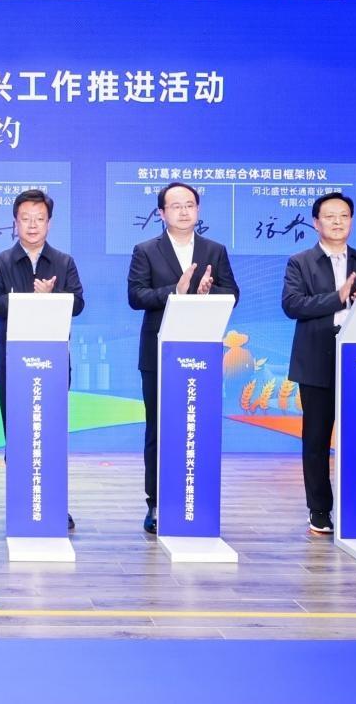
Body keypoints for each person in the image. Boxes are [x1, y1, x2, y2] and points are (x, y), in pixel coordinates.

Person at [127, 181, 238, 535]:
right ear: (161, 213)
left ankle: (196, 500)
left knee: (197, 427)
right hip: (158, 353)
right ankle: (157, 503)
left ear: (198, 210)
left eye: (189, 204)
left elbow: (232, 293)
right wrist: (176, 291)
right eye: (175, 206)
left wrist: (207, 291)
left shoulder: (214, 250)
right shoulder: (146, 250)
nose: (184, 211)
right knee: (159, 429)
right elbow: (136, 296)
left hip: (201, 353)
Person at [282, 191, 356, 535]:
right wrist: (338, 298)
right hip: (316, 359)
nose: (338, 221)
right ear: (316, 223)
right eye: (330, 216)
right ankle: (319, 509)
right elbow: (292, 305)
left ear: (351, 221)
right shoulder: (300, 262)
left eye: (344, 215)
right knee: (316, 439)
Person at [0, 189, 84, 531]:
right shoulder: (0, 262)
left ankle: (54, 503)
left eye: (39, 219)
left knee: (50, 434)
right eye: (25, 218)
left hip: (53, 362)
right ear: (15, 222)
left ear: (49, 223)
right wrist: (31, 300)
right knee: (18, 433)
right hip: (14, 362)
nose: (32, 225)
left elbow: (78, 304)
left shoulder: (64, 262)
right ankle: (21, 502)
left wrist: (53, 297)